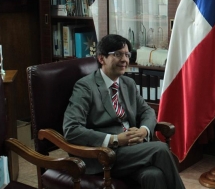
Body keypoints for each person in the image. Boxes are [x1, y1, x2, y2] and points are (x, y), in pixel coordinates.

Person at [63, 34, 185, 189]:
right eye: (118, 54)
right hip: (103, 155)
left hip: (131, 151)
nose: (125, 60)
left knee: (153, 175)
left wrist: (144, 130)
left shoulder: (128, 83)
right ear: (102, 58)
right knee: (160, 149)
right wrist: (114, 139)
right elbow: (71, 129)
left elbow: (147, 111)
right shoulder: (86, 87)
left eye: (127, 54)